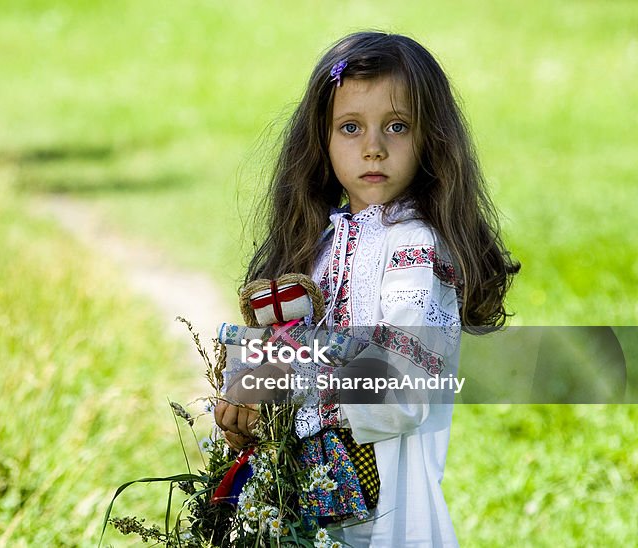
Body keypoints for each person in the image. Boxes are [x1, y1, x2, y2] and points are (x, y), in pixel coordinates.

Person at [215, 31, 519, 546]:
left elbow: (402, 389)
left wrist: (286, 387)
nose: (374, 148)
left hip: (388, 509)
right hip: (305, 500)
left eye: (396, 127)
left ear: (430, 140)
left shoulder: (417, 247)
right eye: (350, 127)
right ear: (322, 140)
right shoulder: (320, 243)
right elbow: (284, 340)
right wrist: (244, 397)